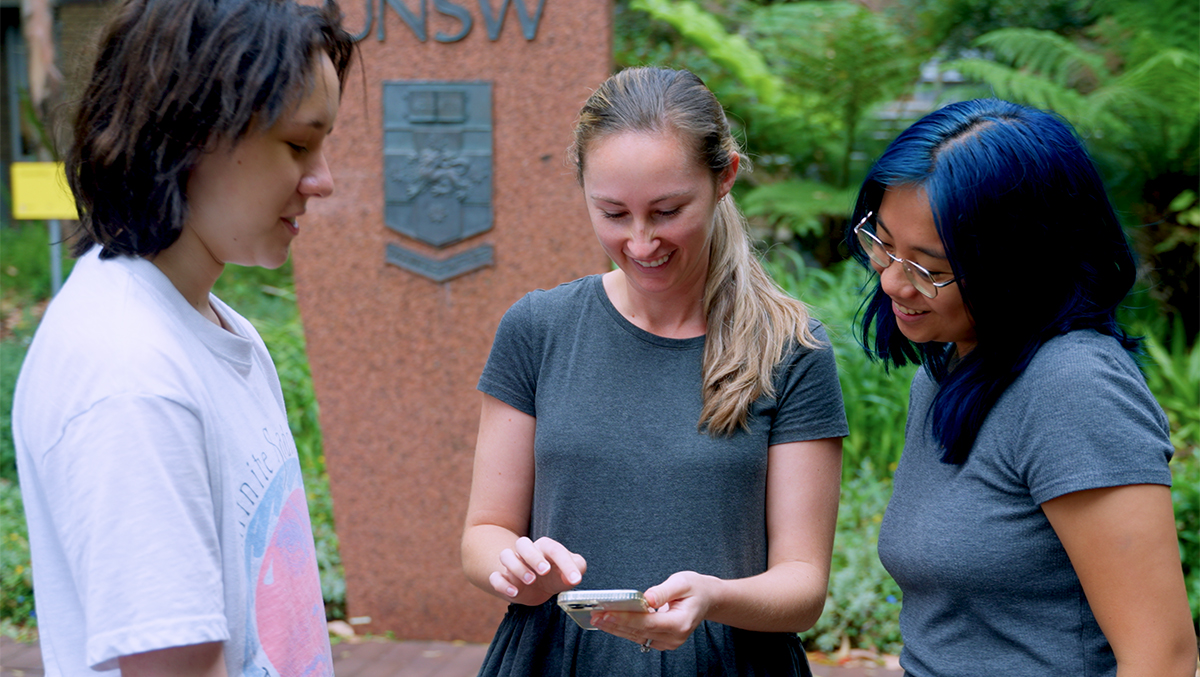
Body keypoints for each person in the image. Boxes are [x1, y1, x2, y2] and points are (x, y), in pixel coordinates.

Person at [461, 66, 848, 676]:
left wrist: (715, 598)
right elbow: (485, 530)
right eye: (613, 213)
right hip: (555, 658)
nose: (641, 243)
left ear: (725, 178)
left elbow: (802, 587)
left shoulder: (790, 347)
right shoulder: (537, 328)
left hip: (725, 662)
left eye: (668, 211)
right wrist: (519, 569)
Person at [12, 0, 354, 674]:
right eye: (297, 143)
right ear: (191, 133)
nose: (322, 179)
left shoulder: (215, 328)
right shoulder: (131, 373)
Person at [848, 98, 1197, 676]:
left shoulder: (1074, 388)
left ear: (1019, 264)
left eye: (929, 267)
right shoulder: (949, 367)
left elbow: (1162, 658)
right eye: (882, 244)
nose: (890, 282)